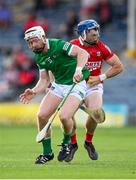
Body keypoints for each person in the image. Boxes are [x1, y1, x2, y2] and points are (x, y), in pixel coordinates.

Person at [19, 26, 90, 164]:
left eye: (34, 41)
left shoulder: (59, 45)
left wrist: (79, 70)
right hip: (59, 85)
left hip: (76, 84)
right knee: (42, 116)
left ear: (43, 38)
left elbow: (83, 54)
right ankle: (47, 153)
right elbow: (44, 80)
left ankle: (66, 143)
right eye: (30, 43)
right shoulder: (39, 57)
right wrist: (34, 91)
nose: (32, 45)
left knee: (64, 116)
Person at [66, 19, 124, 162]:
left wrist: (100, 77)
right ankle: (72, 144)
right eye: (93, 33)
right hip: (74, 85)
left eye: (97, 31)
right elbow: (56, 65)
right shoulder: (71, 46)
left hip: (93, 85)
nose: (97, 35)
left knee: (96, 113)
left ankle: (88, 142)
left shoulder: (101, 47)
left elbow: (118, 66)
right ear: (83, 34)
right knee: (67, 116)